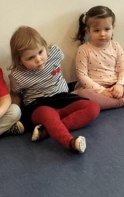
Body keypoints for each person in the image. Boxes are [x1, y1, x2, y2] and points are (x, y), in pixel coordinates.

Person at [8, 25, 99, 153]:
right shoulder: (17, 75)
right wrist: (16, 115)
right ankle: (70, 142)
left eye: (40, 52)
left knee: (93, 107)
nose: (38, 59)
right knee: (48, 115)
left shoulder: (55, 53)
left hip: (63, 98)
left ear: (45, 47)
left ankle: (46, 130)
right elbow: (15, 94)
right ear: (20, 61)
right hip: (39, 104)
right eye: (30, 58)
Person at [73, 6, 124, 110]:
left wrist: (120, 85)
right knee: (83, 94)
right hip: (94, 89)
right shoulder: (84, 49)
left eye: (107, 29)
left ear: (113, 27)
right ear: (88, 31)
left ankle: (108, 102)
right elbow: (82, 76)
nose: (102, 34)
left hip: (114, 85)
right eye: (96, 30)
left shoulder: (116, 46)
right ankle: (121, 102)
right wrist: (101, 90)